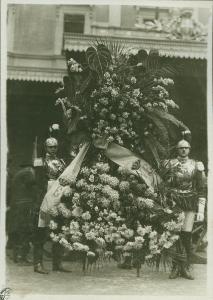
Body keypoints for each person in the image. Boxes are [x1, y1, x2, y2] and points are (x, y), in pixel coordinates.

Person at [161, 138, 206, 280]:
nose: (183, 150)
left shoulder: (196, 165)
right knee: (174, 234)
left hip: (190, 202)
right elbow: (163, 184)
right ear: (177, 149)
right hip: (174, 201)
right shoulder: (169, 164)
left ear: (189, 149)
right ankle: (175, 266)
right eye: (181, 148)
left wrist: (201, 208)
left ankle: (185, 267)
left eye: (186, 148)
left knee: (186, 234)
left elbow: (201, 187)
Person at [33, 137, 71, 274]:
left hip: (59, 196)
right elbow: (37, 183)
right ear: (45, 147)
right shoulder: (40, 161)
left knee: (59, 229)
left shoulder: (62, 161)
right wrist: (39, 201)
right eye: (50, 147)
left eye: (55, 146)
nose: (53, 149)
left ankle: (57, 263)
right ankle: (38, 264)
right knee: (41, 230)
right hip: (46, 197)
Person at [8, 163, 37, 265]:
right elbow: (32, 182)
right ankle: (21, 258)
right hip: (24, 204)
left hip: (17, 204)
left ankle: (18, 256)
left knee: (19, 230)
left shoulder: (19, 173)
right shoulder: (29, 172)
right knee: (25, 230)